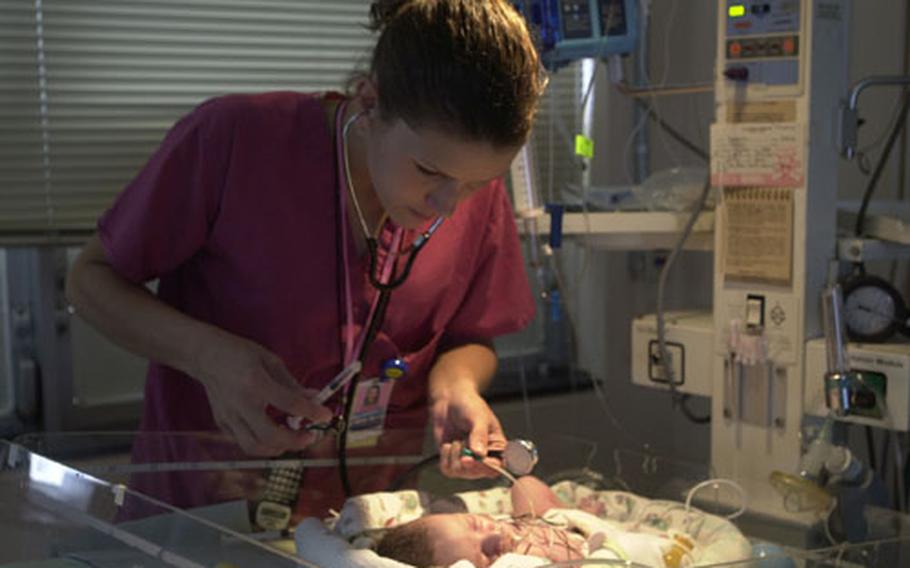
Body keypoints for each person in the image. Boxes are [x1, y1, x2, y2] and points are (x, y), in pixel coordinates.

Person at [65, 0, 546, 518]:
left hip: (364, 516)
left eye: (477, 182)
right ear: (370, 101)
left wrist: (455, 386)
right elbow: (91, 282)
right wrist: (208, 356)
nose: (448, 204)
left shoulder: (468, 193)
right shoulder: (235, 141)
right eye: (429, 170)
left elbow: (470, 336)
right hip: (204, 502)